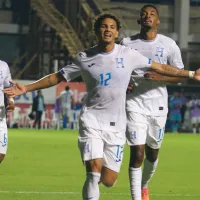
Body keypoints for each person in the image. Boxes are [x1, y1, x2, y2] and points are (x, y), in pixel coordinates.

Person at [3, 13, 200, 200]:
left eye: (112, 27)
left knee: (108, 180)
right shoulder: (84, 58)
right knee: (93, 171)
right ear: (96, 31)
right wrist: (26, 88)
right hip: (92, 120)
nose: (108, 30)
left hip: (116, 126)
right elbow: (57, 77)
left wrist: (191, 74)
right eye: (104, 26)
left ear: (117, 32)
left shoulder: (129, 54)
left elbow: (160, 67)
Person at [121, 4, 185, 200]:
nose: (148, 16)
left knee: (152, 153)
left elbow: (179, 75)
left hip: (157, 106)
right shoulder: (126, 44)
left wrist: (161, 78)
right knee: (137, 153)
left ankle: (144, 185)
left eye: (152, 14)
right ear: (139, 20)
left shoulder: (169, 45)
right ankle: (136, 198)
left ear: (157, 21)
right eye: (144, 14)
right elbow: (117, 70)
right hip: (134, 104)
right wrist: (124, 84)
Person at [0, 60, 15, 164]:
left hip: (0, 115)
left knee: (1, 154)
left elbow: (8, 87)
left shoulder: (3, 65)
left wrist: (11, 100)